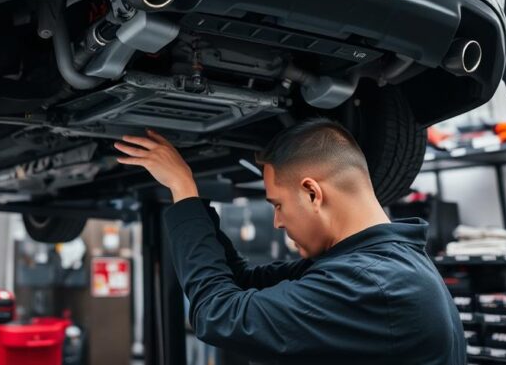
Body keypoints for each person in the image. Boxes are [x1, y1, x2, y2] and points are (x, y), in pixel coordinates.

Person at [113, 119, 465, 364]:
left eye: (278, 205)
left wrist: (184, 190)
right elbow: (242, 281)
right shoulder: (375, 266)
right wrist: (190, 198)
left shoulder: (373, 283)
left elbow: (219, 315)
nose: (278, 221)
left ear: (312, 193)